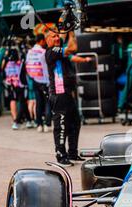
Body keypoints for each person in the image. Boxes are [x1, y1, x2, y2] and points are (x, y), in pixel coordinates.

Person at [45, 29, 92, 167]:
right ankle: (60, 155)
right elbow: (72, 48)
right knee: (61, 125)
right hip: (58, 94)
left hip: (67, 94)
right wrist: (69, 32)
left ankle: (72, 153)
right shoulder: (52, 52)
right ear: (47, 40)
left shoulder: (61, 53)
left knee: (75, 123)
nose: (57, 38)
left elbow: (72, 49)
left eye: (57, 36)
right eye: (53, 36)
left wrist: (71, 32)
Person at [26, 34, 51, 133]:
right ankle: (47, 124)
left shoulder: (29, 52)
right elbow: (46, 68)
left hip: (34, 80)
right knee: (47, 102)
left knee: (38, 103)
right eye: (44, 40)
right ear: (41, 41)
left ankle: (39, 124)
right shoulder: (43, 52)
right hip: (44, 81)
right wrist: (48, 81)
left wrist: (33, 77)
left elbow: (27, 66)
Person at [3, 49, 30, 130]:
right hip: (20, 86)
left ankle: (29, 120)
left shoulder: (8, 64)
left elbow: (5, 73)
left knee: (19, 102)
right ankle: (16, 122)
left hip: (11, 86)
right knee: (22, 102)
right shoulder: (20, 64)